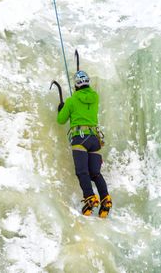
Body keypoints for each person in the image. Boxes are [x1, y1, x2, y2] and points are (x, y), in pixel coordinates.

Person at [57, 71, 112, 217]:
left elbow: (61, 120)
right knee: (95, 173)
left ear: (76, 85)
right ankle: (105, 199)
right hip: (94, 139)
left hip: (80, 138)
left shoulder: (71, 100)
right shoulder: (95, 98)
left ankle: (90, 198)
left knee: (82, 172)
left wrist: (61, 108)